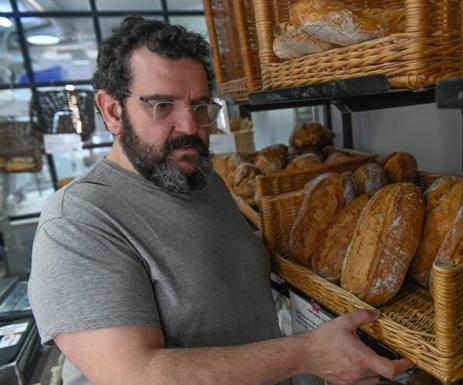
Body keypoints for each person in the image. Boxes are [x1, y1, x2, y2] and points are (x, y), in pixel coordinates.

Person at [28, 16, 411, 385]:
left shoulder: (205, 182)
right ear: (113, 111)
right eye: (163, 106)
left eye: (200, 107)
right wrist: (307, 353)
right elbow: (133, 375)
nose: (191, 127)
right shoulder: (77, 221)